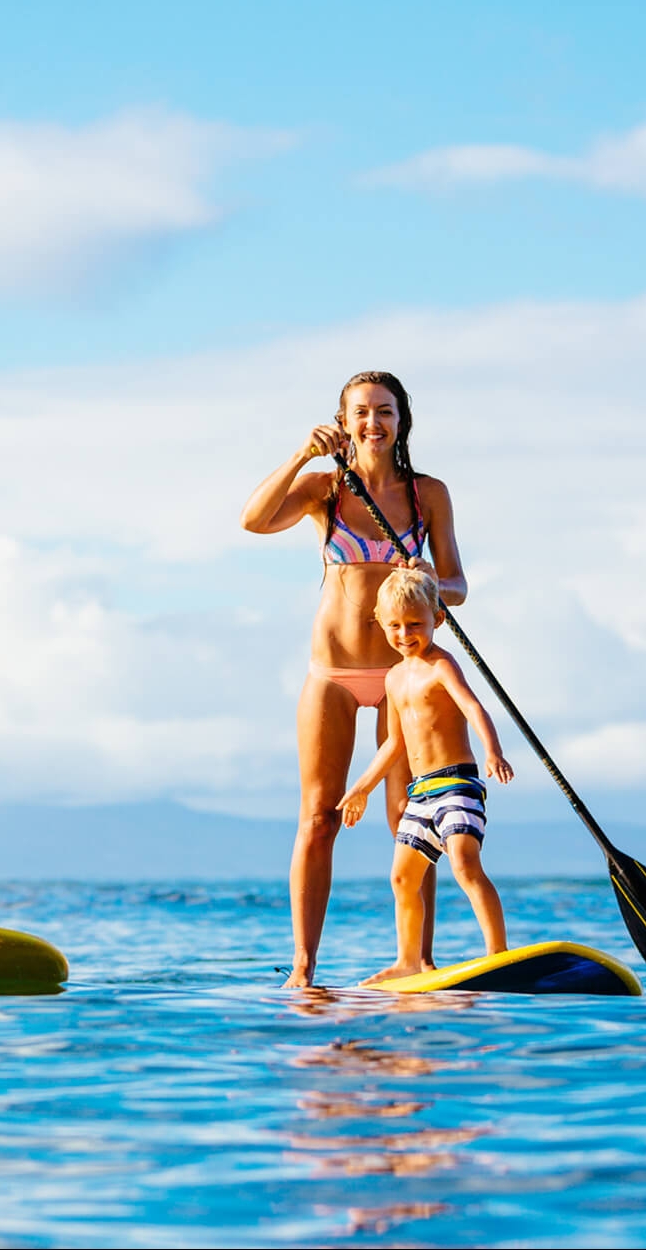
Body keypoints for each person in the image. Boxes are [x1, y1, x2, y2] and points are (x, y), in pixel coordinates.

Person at [240, 371, 467, 987]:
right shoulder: (325, 488)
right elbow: (253, 522)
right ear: (344, 422)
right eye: (361, 412)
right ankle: (304, 968)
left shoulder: (429, 495)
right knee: (319, 816)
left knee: (412, 818)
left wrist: (430, 581)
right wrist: (299, 455)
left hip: (405, 676)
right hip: (334, 674)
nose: (373, 422)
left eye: (385, 411)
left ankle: (416, 960)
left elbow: (458, 587)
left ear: (402, 421)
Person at [339, 567, 513, 982]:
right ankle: (408, 960)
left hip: (457, 783)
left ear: (438, 618)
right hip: (420, 794)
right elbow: (393, 745)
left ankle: (498, 953)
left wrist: (492, 751)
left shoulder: (441, 666)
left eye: (415, 624)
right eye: (394, 626)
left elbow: (474, 708)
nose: (404, 634)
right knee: (402, 877)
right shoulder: (394, 677)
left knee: (465, 862)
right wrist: (361, 787)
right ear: (380, 623)